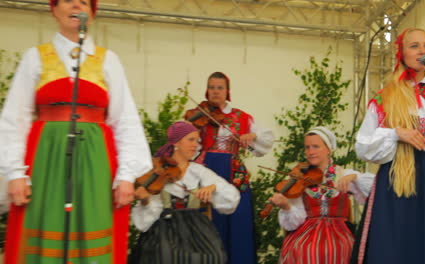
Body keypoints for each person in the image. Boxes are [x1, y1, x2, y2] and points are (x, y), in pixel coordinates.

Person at [0, 0, 153, 263]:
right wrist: (14, 173)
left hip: (96, 162)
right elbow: (15, 118)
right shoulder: (35, 57)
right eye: (68, 0)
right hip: (45, 160)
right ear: (54, 9)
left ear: (92, 14)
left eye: (84, 2)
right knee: (42, 227)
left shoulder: (109, 61)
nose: (76, 6)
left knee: (93, 228)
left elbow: (124, 119)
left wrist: (127, 175)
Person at [352, 28, 425, 264]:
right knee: (395, 248)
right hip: (397, 183)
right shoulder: (385, 98)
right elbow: (363, 147)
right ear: (402, 54)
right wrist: (395, 133)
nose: (422, 50)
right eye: (414, 46)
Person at [184, 71, 274, 263]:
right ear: (207, 90)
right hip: (207, 171)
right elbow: (188, 147)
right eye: (211, 87)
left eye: (220, 88)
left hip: (234, 174)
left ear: (227, 91)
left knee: (238, 222)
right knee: (209, 222)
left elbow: (265, 142)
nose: (215, 92)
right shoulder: (199, 115)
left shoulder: (240, 117)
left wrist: (253, 136)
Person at [129, 121, 240, 263]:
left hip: (197, 230)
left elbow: (231, 198)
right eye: (191, 140)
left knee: (214, 256)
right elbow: (144, 223)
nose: (196, 145)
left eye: (197, 141)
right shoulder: (156, 171)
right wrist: (145, 200)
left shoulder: (198, 171)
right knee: (165, 255)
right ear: (176, 143)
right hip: (163, 228)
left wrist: (213, 187)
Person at [268, 127, 374, 264]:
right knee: (305, 249)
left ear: (328, 149)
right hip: (306, 232)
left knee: (341, 248)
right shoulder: (300, 178)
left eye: (315, 146)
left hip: (339, 232)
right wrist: (286, 206)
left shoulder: (343, 174)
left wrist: (354, 177)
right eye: (307, 147)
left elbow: (376, 187)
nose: (310, 152)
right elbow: (293, 224)